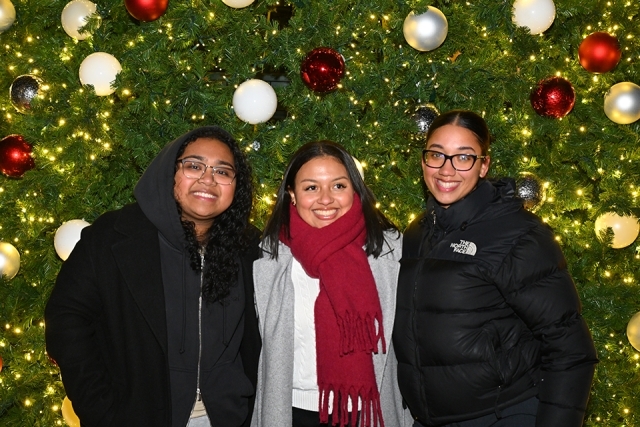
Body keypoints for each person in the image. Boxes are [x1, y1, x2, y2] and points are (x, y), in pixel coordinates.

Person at [45, 126, 261, 427]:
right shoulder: (113, 237)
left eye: (223, 172)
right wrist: (101, 410)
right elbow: (66, 320)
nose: (208, 179)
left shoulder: (251, 248)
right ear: (169, 171)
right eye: (194, 165)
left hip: (229, 417)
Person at [393, 109, 598, 427]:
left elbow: (570, 349)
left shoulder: (518, 234)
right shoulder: (417, 232)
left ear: (483, 165)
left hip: (502, 415)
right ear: (423, 160)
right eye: (437, 155)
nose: (447, 170)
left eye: (463, 157)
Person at [251, 141, 410, 427]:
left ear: (355, 190)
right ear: (292, 195)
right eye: (311, 187)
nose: (326, 199)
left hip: (369, 413)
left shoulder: (390, 251)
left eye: (338, 186)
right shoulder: (270, 256)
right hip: (291, 412)